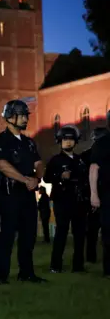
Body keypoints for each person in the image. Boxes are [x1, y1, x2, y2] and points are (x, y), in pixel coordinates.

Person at [0, 99, 46, 285]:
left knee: (29, 234)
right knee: (6, 234)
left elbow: (39, 164)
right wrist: (25, 180)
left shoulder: (29, 143)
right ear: (10, 117)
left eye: (25, 116)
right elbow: (2, 165)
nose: (24, 119)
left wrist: (37, 179)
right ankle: (1, 275)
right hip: (9, 193)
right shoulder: (0, 141)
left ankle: (26, 272)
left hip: (28, 194)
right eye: (21, 116)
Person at [44, 125, 88, 273]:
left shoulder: (80, 160)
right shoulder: (55, 160)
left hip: (79, 201)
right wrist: (60, 176)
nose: (68, 142)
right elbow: (46, 177)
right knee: (61, 233)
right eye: (65, 140)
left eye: (71, 139)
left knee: (80, 234)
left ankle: (78, 266)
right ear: (59, 141)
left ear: (75, 141)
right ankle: (55, 265)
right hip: (62, 201)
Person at [81, 127, 108, 263]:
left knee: (93, 230)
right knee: (94, 230)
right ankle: (92, 257)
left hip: (94, 196)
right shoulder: (87, 156)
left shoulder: (86, 155)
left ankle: (92, 258)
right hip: (95, 196)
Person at [89, 111, 110, 278]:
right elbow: (93, 169)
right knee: (108, 232)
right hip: (107, 194)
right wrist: (94, 195)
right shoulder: (101, 144)